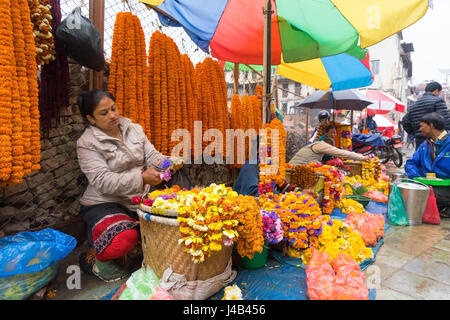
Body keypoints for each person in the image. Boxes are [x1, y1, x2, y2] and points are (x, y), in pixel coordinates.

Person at [76, 89, 184, 282]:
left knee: (179, 205)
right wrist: (142, 178)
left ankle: (137, 237)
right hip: (106, 202)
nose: (113, 115)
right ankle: (93, 259)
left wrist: (169, 161)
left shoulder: (133, 129)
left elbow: (152, 156)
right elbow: (103, 181)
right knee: (121, 239)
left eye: (114, 109)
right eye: (104, 113)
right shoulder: (87, 143)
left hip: (138, 197)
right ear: (90, 119)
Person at [405, 113, 450, 218]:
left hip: (446, 187)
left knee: (428, 196)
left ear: (431, 126)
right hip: (429, 185)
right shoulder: (425, 145)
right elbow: (411, 163)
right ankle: (440, 208)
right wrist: (417, 178)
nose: (420, 129)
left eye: (422, 126)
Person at [401, 81, 450, 150]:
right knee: (438, 159)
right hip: (436, 140)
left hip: (419, 140)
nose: (439, 94)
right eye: (439, 92)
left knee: (421, 159)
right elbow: (446, 121)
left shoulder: (415, 104)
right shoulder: (438, 101)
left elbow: (405, 121)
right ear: (436, 91)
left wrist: (415, 133)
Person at [289, 136, 369, 166]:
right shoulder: (321, 145)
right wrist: (362, 158)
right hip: (294, 169)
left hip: (295, 167)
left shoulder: (316, 145)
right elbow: (341, 153)